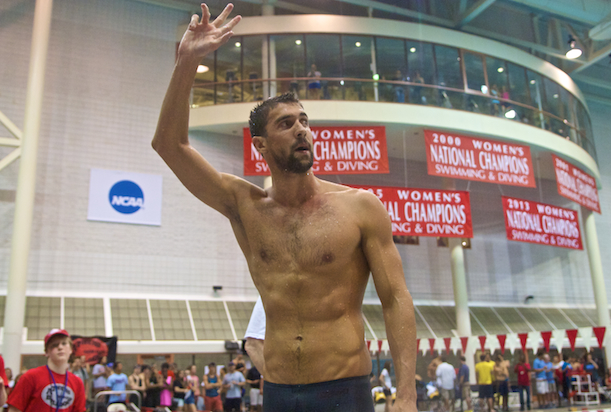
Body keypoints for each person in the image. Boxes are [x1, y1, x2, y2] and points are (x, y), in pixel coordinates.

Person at [152, 4, 417, 412]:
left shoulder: (360, 207)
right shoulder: (245, 205)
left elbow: (395, 298)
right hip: (278, 392)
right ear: (260, 145)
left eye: (304, 121)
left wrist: (406, 395)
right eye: (286, 124)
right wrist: (187, 60)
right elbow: (170, 146)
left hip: (344, 389)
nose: (302, 130)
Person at [7, 329, 86, 412]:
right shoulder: (30, 377)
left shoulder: (77, 382)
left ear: (71, 350)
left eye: (64, 343)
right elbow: (14, 409)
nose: (60, 347)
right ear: (46, 352)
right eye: (54, 345)